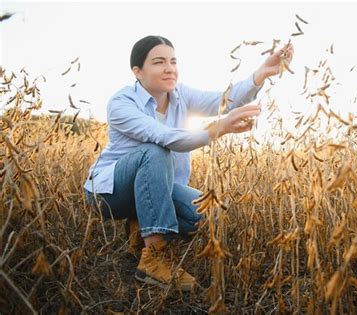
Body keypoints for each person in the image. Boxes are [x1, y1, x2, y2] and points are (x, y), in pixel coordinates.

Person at [84, 35, 294, 290]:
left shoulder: (180, 95)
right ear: (137, 71)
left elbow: (224, 100)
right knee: (155, 150)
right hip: (109, 193)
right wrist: (217, 129)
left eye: (173, 61)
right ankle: (154, 259)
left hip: (157, 188)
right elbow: (164, 137)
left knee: (207, 214)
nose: (169, 68)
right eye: (159, 62)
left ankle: (140, 225)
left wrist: (261, 73)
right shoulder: (122, 103)